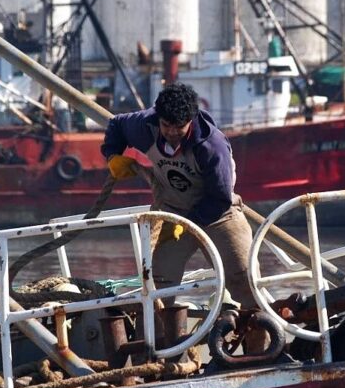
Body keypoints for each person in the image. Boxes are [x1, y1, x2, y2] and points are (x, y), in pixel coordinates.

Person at [101, 82, 257, 310]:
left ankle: (262, 329)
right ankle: (159, 332)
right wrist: (112, 156)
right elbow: (116, 125)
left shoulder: (212, 146)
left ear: (191, 120)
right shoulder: (145, 126)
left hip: (219, 215)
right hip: (172, 212)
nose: (172, 133)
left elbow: (221, 197)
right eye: (166, 125)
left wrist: (187, 223)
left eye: (179, 127)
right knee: (157, 290)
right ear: (158, 118)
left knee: (244, 281)